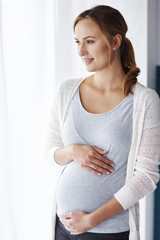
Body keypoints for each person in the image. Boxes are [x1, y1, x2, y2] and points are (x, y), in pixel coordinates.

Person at [45, 5, 160, 240]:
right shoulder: (66, 91)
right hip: (63, 227)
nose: (81, 51)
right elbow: (49, 152)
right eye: (77, 42)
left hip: (107, 232)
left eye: (89, 41)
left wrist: (91, 220)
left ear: (115, 42)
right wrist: (74, 151)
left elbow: (147, 176)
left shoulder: (144, 101)